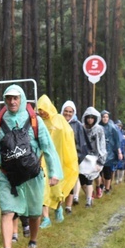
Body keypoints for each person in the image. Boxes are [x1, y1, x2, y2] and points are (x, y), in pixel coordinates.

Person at [0, 85, 61, 248]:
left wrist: (54, 172)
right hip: (7, 177)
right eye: (8, 98)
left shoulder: (35, 121)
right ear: (4, 100)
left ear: (22, 99)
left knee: (34, 213)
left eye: (15, 98)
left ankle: (33, 241)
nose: (12, 101)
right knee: (7, 211)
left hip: (32, 175)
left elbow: (48, 148)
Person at [37, 95, 77, 227]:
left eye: (43, 109)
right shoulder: (38, 121)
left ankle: (58, 207)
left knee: (56, 188)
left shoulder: (59, 119)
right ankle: (46, 218)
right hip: (43, 159)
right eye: (39, 109)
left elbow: (68, 135)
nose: (41, 112)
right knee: (43, 187)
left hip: (57, 159)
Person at [60, 100, 88, 211]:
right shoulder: (57, 122)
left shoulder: (78, 126)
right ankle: (59, 206)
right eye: (66, 111)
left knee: (70, 182)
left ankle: (68, 207)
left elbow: (81, 144)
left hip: (72, 158)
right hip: (59, 158)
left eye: (70, 112)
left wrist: (77, 158)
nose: (68, 113)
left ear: (74, 112)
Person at [80, 107, 107, 207]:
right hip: (83, 157)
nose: (90, 119)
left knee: (89, 179)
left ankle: (88, 200)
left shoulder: (99, 129)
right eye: (88, 117)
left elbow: (102, 144)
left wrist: (101, 159)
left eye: (92, 117)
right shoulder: (82, 128)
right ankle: (89, 195)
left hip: (94, 157)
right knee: (82, 179)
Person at [97, 110, 121, 196]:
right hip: (99, 154)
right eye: (103, 117)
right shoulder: (97, 126)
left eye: (106, 117)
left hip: (109, 153)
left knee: (107, 172)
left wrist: (119, 152)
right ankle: (100, 186)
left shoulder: (112, 128)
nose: (105, 118)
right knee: (98, 172)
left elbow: (117, 141)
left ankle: (107, 188)